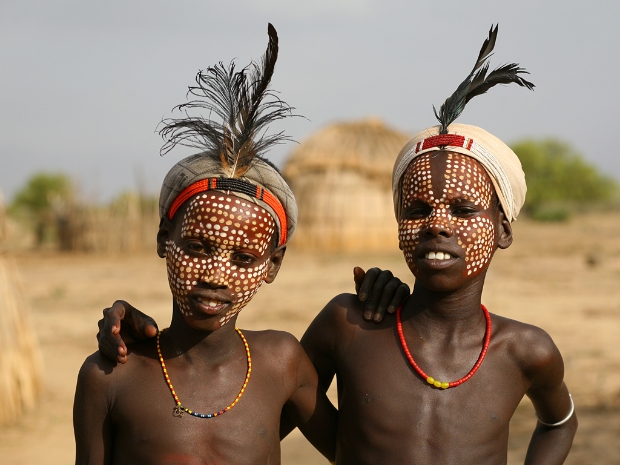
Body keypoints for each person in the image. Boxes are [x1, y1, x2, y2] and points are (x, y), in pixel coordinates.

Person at [96, 26, 577, 464]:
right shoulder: (350, 325)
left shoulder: (525, 350)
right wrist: (152, 348)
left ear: (504, 229)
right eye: (416, 211)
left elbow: (559, 421)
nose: (437, 225)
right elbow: (252, 420)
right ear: (397, 224)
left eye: (464, 210)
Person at [74, 24, 371, 465]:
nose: (215, 274)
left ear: (272, 266)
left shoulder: (280, 362)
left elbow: (363, 454)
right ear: (163, 239)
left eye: (244, 257)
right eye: (197, 247)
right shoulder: (111, 375)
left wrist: (394, 306)